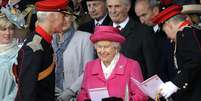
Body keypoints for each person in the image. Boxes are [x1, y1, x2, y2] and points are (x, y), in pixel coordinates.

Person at [14, 0, 69, 101]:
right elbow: (27, 92)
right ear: (52, 17)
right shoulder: (34, 48)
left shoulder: (44, 43)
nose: (65, 20)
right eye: (63, 15)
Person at [77, 26, 147, 101]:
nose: (102, 51)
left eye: (106, 47)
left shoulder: (131, 65)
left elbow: (142, 95)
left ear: (116, 48)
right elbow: (82, 93)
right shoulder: (90, 66)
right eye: (99, 46)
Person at [152, 4, 201, 101]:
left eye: (165, 31)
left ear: (168, 25)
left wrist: (175, 84)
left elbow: (195, 60)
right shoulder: (190, 32)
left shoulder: (186, 33)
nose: (167, 37)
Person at [107, 0, 160, 79]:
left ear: (127, 7)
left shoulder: (144, 31)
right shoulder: (103, 31)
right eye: (110, 6)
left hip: (135, 88)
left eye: (117, 6)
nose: (113, 11)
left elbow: (152, 68)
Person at [53, 6, 94, 101]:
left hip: (76, 95)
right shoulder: (50, 40)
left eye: (66, 16)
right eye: (59, 16)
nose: (63, 20)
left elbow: (88, 70)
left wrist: (71, 91)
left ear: (72, 17)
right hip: (51, 93)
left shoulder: (86, 38)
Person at [0, 13, 19, 101]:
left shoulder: (19, 54)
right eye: (3, 29)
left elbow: (20, 86)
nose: (7, 33)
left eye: (11, 29)